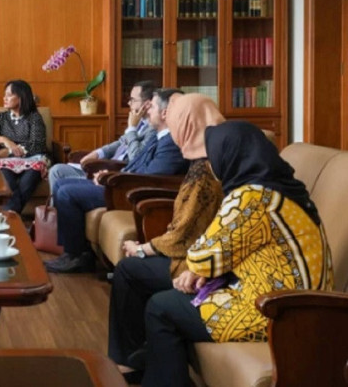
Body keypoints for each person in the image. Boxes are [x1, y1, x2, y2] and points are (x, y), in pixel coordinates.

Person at [140, 120, 333, 387]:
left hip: (276, 312)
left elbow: (202, 254)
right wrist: (204, 271)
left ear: (228, 156)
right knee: (175, 301)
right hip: (302, 308)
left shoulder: (252, 198)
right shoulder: (282, 188)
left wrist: (199, 269)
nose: (210, 165)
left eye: (213, 156)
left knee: (161, 307)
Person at [107, 93, 225, 382]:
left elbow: (185, 235)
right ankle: (138, 354)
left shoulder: (206, 171)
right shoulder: (207, 158)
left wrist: (145, 248)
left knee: (129, 270)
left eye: (177, 124)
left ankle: (130, 359)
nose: (173, 131)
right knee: (133, 272)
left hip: (198, 264)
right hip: (199, 256)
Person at [45, 88, 189, 274]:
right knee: (61, 184)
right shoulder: (160, 135)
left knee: (66, 192)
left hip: (128, 194)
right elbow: (135, 164)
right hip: (122, 185)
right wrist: (109, 175)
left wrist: (112, 180)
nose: (147, 111)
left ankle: (76, 256)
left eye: (151, 107)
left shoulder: (170, 142)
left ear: (163, 113)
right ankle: (77, 251)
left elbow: (151, 179)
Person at [48, 80, 156, 188]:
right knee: (57, 170)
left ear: (146, 105)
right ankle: (55, 205)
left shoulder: (153, 129)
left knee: (58, 175)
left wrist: (131, 128)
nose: (129, 103)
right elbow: (120, 142)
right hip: (104, 166)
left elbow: (136, 157)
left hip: (114, 174)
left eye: (132, 100)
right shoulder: (138, 122)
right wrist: (98, 153)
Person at [0, 79, 48, 214]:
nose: (5, 98)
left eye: (9, 95)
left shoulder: (34, 118)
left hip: (33, 160)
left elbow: (36, 145)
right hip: (7, 162)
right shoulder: (2, 117)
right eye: (5, 95)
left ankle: (9, 217)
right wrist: (5, 140)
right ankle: (14, 220)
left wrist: (9, 151)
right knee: (8, 184)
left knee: (29, 179)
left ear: (21, 97)